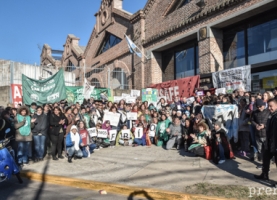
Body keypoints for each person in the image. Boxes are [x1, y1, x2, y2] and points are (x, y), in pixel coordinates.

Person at [254, 99, 277, 183]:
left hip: (275, 143)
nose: (270, 108)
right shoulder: (271, 115)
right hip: (269, 141)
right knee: (265, 158)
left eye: (271, 106)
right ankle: (264, 174)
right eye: (269, 106)